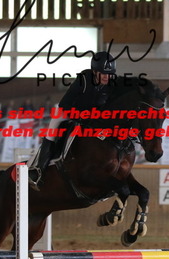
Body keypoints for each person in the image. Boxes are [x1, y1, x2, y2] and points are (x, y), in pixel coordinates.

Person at [28, 51, 117, 190]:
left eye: (109, 74)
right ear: (94, 72)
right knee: (52, 130)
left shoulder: (111, 85)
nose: (107, 77)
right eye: (104, 73)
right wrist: (78, 116)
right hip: (69, 112)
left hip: (91, 117)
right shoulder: (84, 80)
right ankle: (39, 169)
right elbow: (65, 104)